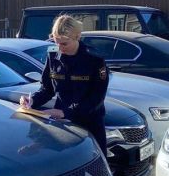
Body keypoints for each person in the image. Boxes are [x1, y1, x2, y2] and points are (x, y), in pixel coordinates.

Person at [19, 14, 109, 153]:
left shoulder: (94, 60)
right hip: (63, 124)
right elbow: (46, 89)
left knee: (93, 167)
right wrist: (31, 100)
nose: (59, 48)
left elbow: (97, 98)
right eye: (56, 42)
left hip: (90, 123)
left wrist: (65, 112)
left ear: (77, 37)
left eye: (64, 43)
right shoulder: (53, 55)